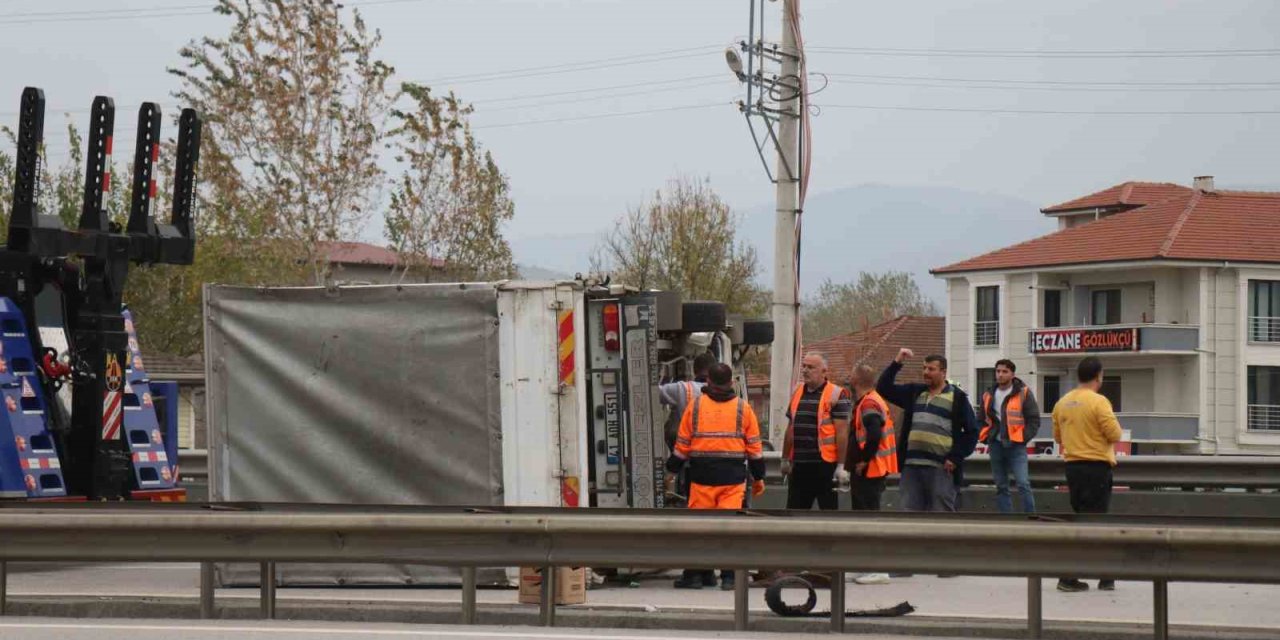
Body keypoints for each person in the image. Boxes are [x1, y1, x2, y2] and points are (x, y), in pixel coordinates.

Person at [665, 363, 766, 590]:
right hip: (733, 481)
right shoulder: (743, 408)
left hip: (701, 479)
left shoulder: (695, 407)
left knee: (700, 529)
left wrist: (670, 473)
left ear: (708, 381)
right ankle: (729, 577)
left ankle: (697, 575)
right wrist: (759, 478)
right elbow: (755, 450)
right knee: (728, 528)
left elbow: (681, 448)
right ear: (732, 383)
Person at [877, 349, 977, 513]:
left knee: (941, 514)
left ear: (943, 372)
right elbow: (883, 388)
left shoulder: (957, 398)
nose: (926, 372)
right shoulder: (915, 392)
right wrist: (897, 362)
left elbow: (972, 432)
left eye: (931, 369)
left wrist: (955, 457)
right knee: (910, 515)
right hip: (911, 467)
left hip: (941, 468)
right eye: (924, 368)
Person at [1053, 356, 1122, 593]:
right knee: (1097, 523)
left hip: (1073, 468)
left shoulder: (1062, 402)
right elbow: (1115, 434)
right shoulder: (1099, 402)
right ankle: (1082, 576)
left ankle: (1097, 575)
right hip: (1096, 468)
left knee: (1083, 519)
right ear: (1098, 376)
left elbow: (1058, 437)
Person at [846, 363, 898, 586]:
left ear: (856, 380)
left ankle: (878, 568)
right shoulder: (870, 400)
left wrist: (864, 460)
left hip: (871, 469)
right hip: (872, 468)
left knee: (870, 518)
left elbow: (874, 433)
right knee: (864, 517)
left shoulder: (868, 403)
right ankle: (867, 565)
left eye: (851, 375)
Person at [781, 353, 853, 510]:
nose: (805, 370)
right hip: (799, 465)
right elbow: (791, 427)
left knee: (828, 513)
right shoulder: (797, 391)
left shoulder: (836, 394)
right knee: (794, 513)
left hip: (824, 466)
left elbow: (842, 433)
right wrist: (785, 458)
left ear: (824, 371)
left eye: (811, 367)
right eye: (804, 366)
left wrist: (841, 465)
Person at [980, 359, 1041, 514]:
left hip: (1016, 445)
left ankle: (1030, 517)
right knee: (1001, 485)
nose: (1000, 375)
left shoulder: (1023, 392)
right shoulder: (988, 394)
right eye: (998, 371)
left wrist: (1022, 438)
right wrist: (986, 437)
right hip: (996, 445)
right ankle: (1006, 519)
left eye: (1004, 371)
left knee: (1022, 483)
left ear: (1012, 374)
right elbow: (981, 419)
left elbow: (1034, 419)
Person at [659, 352, 718, 450]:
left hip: (690, 451)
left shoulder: (683, 389)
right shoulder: (724, 392)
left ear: (694, 371)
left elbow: (654, 393)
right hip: (717, 449)